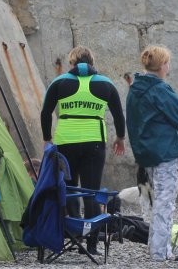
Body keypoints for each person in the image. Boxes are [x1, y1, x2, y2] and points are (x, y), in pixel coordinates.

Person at [40, 46, 125, 255]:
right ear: (92, 62)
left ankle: (74, 236)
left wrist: (47, 138)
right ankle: (91, 245)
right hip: (94, 143)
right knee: (92, 192)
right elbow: (118, 114)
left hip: (65, 142)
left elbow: (45, 112)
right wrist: (120, 137)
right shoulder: (106, 84)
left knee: (68, 189)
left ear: (71, 63)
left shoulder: (59, 82)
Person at [126, 45, 178, 262]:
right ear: (163, 65)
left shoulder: (135, 89)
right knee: (165, 201)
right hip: (165, 151)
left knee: (156, 201)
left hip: (146, 152)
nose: (168, 67)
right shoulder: (160, 89)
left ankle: (157, 247)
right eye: (167, 63)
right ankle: (160, 251)